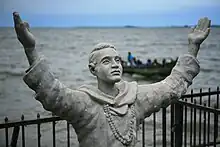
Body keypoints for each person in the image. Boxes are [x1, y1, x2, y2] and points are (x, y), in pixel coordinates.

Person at [12, 12, 211, 147]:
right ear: (93, 69)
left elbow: (171, 87)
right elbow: (51, 92)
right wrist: (30, 49)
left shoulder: (135, 96)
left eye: (117, 59)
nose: (115, 64)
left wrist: (193, 47)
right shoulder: (83, 102)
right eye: (106, 61)